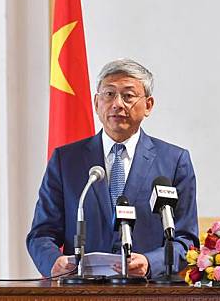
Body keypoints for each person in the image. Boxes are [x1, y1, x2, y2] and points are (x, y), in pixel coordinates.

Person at [26, 58, 199, 278]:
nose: (117, 103)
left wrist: (150, 262)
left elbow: (187, 241)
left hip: (150, 291)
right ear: (96, 102)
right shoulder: (66, 160)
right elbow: (41, 234)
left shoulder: (174, 161)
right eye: (109, 94)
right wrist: (53, 262)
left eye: (128, 96)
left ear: (148, 105)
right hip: (83, 292)